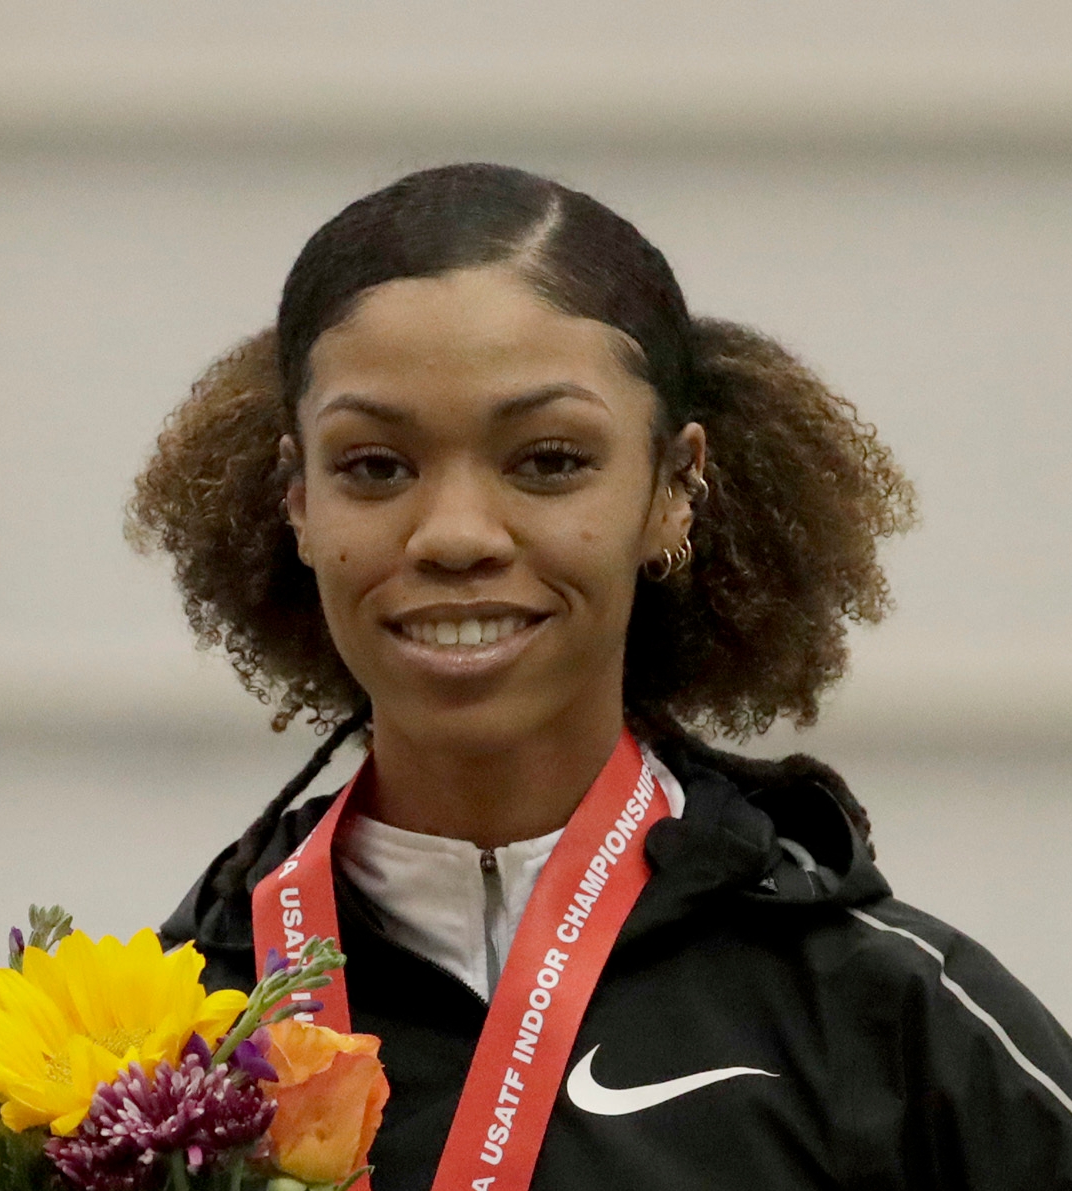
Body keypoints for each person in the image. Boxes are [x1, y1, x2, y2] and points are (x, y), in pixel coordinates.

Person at [131, 163, 1072, 1189]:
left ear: (674, 489)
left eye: (547, 461)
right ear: (298, 501)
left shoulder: (889, 1023)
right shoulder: (147, 1055)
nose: (454, 535)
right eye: (374, 467)